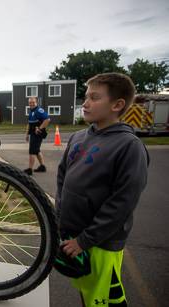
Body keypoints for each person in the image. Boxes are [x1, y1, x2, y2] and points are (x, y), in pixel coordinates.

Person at [55, 73, 149, 306]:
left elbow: (123, 203)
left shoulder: (129, 146)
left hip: (100, 243)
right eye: (86, 97)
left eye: (94, 98)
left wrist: (85, 240)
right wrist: (60, 220)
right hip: (72, 235)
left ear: (117, 105)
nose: (85, 103)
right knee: (87, 292)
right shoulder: (77, 137)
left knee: (104, 299)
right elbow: (62, 178)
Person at [24, 97, 50, 175]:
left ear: (36, 103)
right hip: (32, 134)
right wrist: (27, 134)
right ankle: (42, 167)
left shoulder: (39, 110)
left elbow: (47, 119)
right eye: (30, 102)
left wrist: (40, 128)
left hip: (37, 134)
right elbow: (29, 124)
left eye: (33, 102)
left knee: (32, 151)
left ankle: (30, 170)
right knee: (37, 150)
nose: (31, 104)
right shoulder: (31, 111)